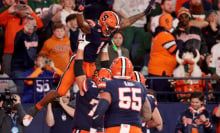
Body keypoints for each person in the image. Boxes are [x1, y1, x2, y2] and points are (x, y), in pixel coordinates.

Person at [25, 0, 155, 123]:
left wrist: (143, 13)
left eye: (112, 28)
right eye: (109, 27)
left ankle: (103, 120)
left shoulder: (110, 29)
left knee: (104, 90)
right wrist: (80, 11)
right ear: (103, 24)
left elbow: (126, 22)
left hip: (91, 65)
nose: (111, 31)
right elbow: (82, 24)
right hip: (78, 62)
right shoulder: (94, 29)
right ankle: (34, 109)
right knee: (60, 92)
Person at [90, 56, 152, 133]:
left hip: (115, 128)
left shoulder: (110, 84)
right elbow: (147, 115)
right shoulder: (140, 86)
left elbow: (101, 108)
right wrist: (133, 120)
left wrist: (95, 127)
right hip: (135, 129)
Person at [72, 42, 112, 133]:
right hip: (99, 130)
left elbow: (78, 70)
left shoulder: (89, 85)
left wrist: (81, 47)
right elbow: (106, 68)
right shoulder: (111, 90)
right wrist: (105, 48)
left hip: (83, 129)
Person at [0, 3, 43, 76]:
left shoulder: (29, 20)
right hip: (9, 51)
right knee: (6, 76)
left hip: (24, 54)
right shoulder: (9, 17)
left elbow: (40, 25)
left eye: (23, 7)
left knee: (23, 76)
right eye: (19, 7)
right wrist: (8, 11)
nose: (21, 10)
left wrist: (31, 12)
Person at [148, 13, 177, 102]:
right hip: (161, 72)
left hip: (156, 70)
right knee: (162, 99)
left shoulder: (157, 34)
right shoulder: (165, 35)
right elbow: (174, 50)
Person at [11, 15, 39, 93]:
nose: (31, 27)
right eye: (29, 25)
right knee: (20, 90)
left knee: (32, 90)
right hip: (19, 68)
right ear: (25, 25)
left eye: (33, 25)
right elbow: (17, 44)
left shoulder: (36, 36)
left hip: (30, 67)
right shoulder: (19, 35)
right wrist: (24, 32)